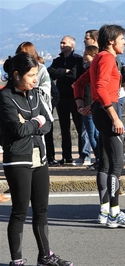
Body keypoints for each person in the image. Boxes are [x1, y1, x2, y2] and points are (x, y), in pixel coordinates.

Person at [0, 52, 73, 265]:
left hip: (39, 157)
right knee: (20, 211)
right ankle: (17, 260)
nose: (35, 79)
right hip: (18, 158)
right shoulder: (5, 96)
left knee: (41, 209)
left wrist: (33, 121)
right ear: (16, 74)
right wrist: (37, 121)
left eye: (36, 74)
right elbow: (17, 129)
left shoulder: (36, 94)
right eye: (31, 75)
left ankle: (45, 256)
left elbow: (48, 124)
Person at [90, 24, 125, 228]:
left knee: (104, 164)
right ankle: (114, 214)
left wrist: (83, 103)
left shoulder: (98, 58)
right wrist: (114, 117)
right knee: (117, 164)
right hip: (107, 113)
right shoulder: (108, 58)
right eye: (122, 39)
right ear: (111, 41)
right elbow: (101, 87)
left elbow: (80, 83)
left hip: (99, 111)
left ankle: (104, 211)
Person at [15, 41, 60, 167]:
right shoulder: (16, 70)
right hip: (20, 104)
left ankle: (43, 159)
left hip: (37, 106)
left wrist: (32, 91)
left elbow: (46, 88)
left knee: (40, 135)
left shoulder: (41, 69)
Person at [47, 35, 86, 165]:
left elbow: (75, 74)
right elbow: (50, 73)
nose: (62, 45)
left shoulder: (78, 60)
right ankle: (66, 156)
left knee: (80, 126)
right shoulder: (57, 60)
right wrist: (64, 71)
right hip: (62, 97)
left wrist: (62, 72)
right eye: (61, 43)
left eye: (64, 43)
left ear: (72, 45)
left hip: (75, 98)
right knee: (64, 128)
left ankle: (83, 154)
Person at [73, 45, 100, 168]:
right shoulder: (87, 70)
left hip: (91, 104)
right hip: (87, 104)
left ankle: (100, 158)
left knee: (94, 134)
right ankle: (99, 158)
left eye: (86, 54)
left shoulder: (93, 70)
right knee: (92, 134)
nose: (84, 57)